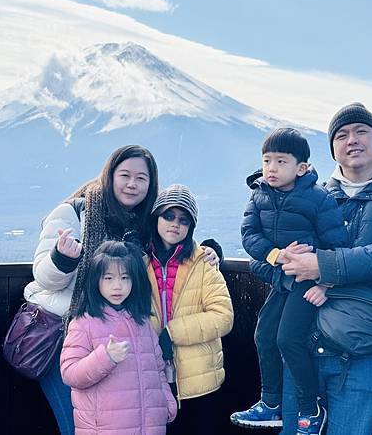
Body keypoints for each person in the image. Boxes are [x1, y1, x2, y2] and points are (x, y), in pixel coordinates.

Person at [23, 145, 219, 434]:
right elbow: (45, 278)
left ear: (151, 184)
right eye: (124, 175)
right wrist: (63, 257)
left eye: (141, 178)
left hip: (121, 338)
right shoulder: (74, 212)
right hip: (65, 337)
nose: (132, 184)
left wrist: (210, 252)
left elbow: (175, 249)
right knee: (77, 425)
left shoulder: (147, 222)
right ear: (109, 175)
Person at [278, 103, 372, 435]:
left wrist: (321, 265)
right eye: (342, 134)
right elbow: (268, 248)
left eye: (362, 131)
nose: (352, 140)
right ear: (332, 149)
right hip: (301, 349)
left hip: (360, 351)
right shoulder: (312, 195)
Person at [230, 128, 348, 435]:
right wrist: (275, 255)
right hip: (281, 279)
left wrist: (326, 284)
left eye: (281, 161)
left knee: (288, 340)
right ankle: (272, 405)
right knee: (264, 334)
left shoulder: (318, 199)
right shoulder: (258, 195)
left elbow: (338, 245)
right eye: (267, 160)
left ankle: (310, 410)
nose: (271, 167)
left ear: (301, 168)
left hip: (307, 282)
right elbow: (249, 235)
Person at [60, 240, 177, 434]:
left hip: (149, 426)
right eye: (108, 278)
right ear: (96, 280)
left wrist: (166, 402)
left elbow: (157, 368)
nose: (118, 286)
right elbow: (70, 373)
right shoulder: (84, 323)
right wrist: (106, 357)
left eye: (125, 278)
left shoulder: (142, 322)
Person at [146, 184, 234, 435]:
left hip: (199, 378)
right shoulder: (138, 263)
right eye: (168, 216)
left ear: (191, 226)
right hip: (154, 373)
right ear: (156, 218)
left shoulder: (204, 262)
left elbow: (223, 316)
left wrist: (171, 333)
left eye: (184, 220)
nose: (175, 224)